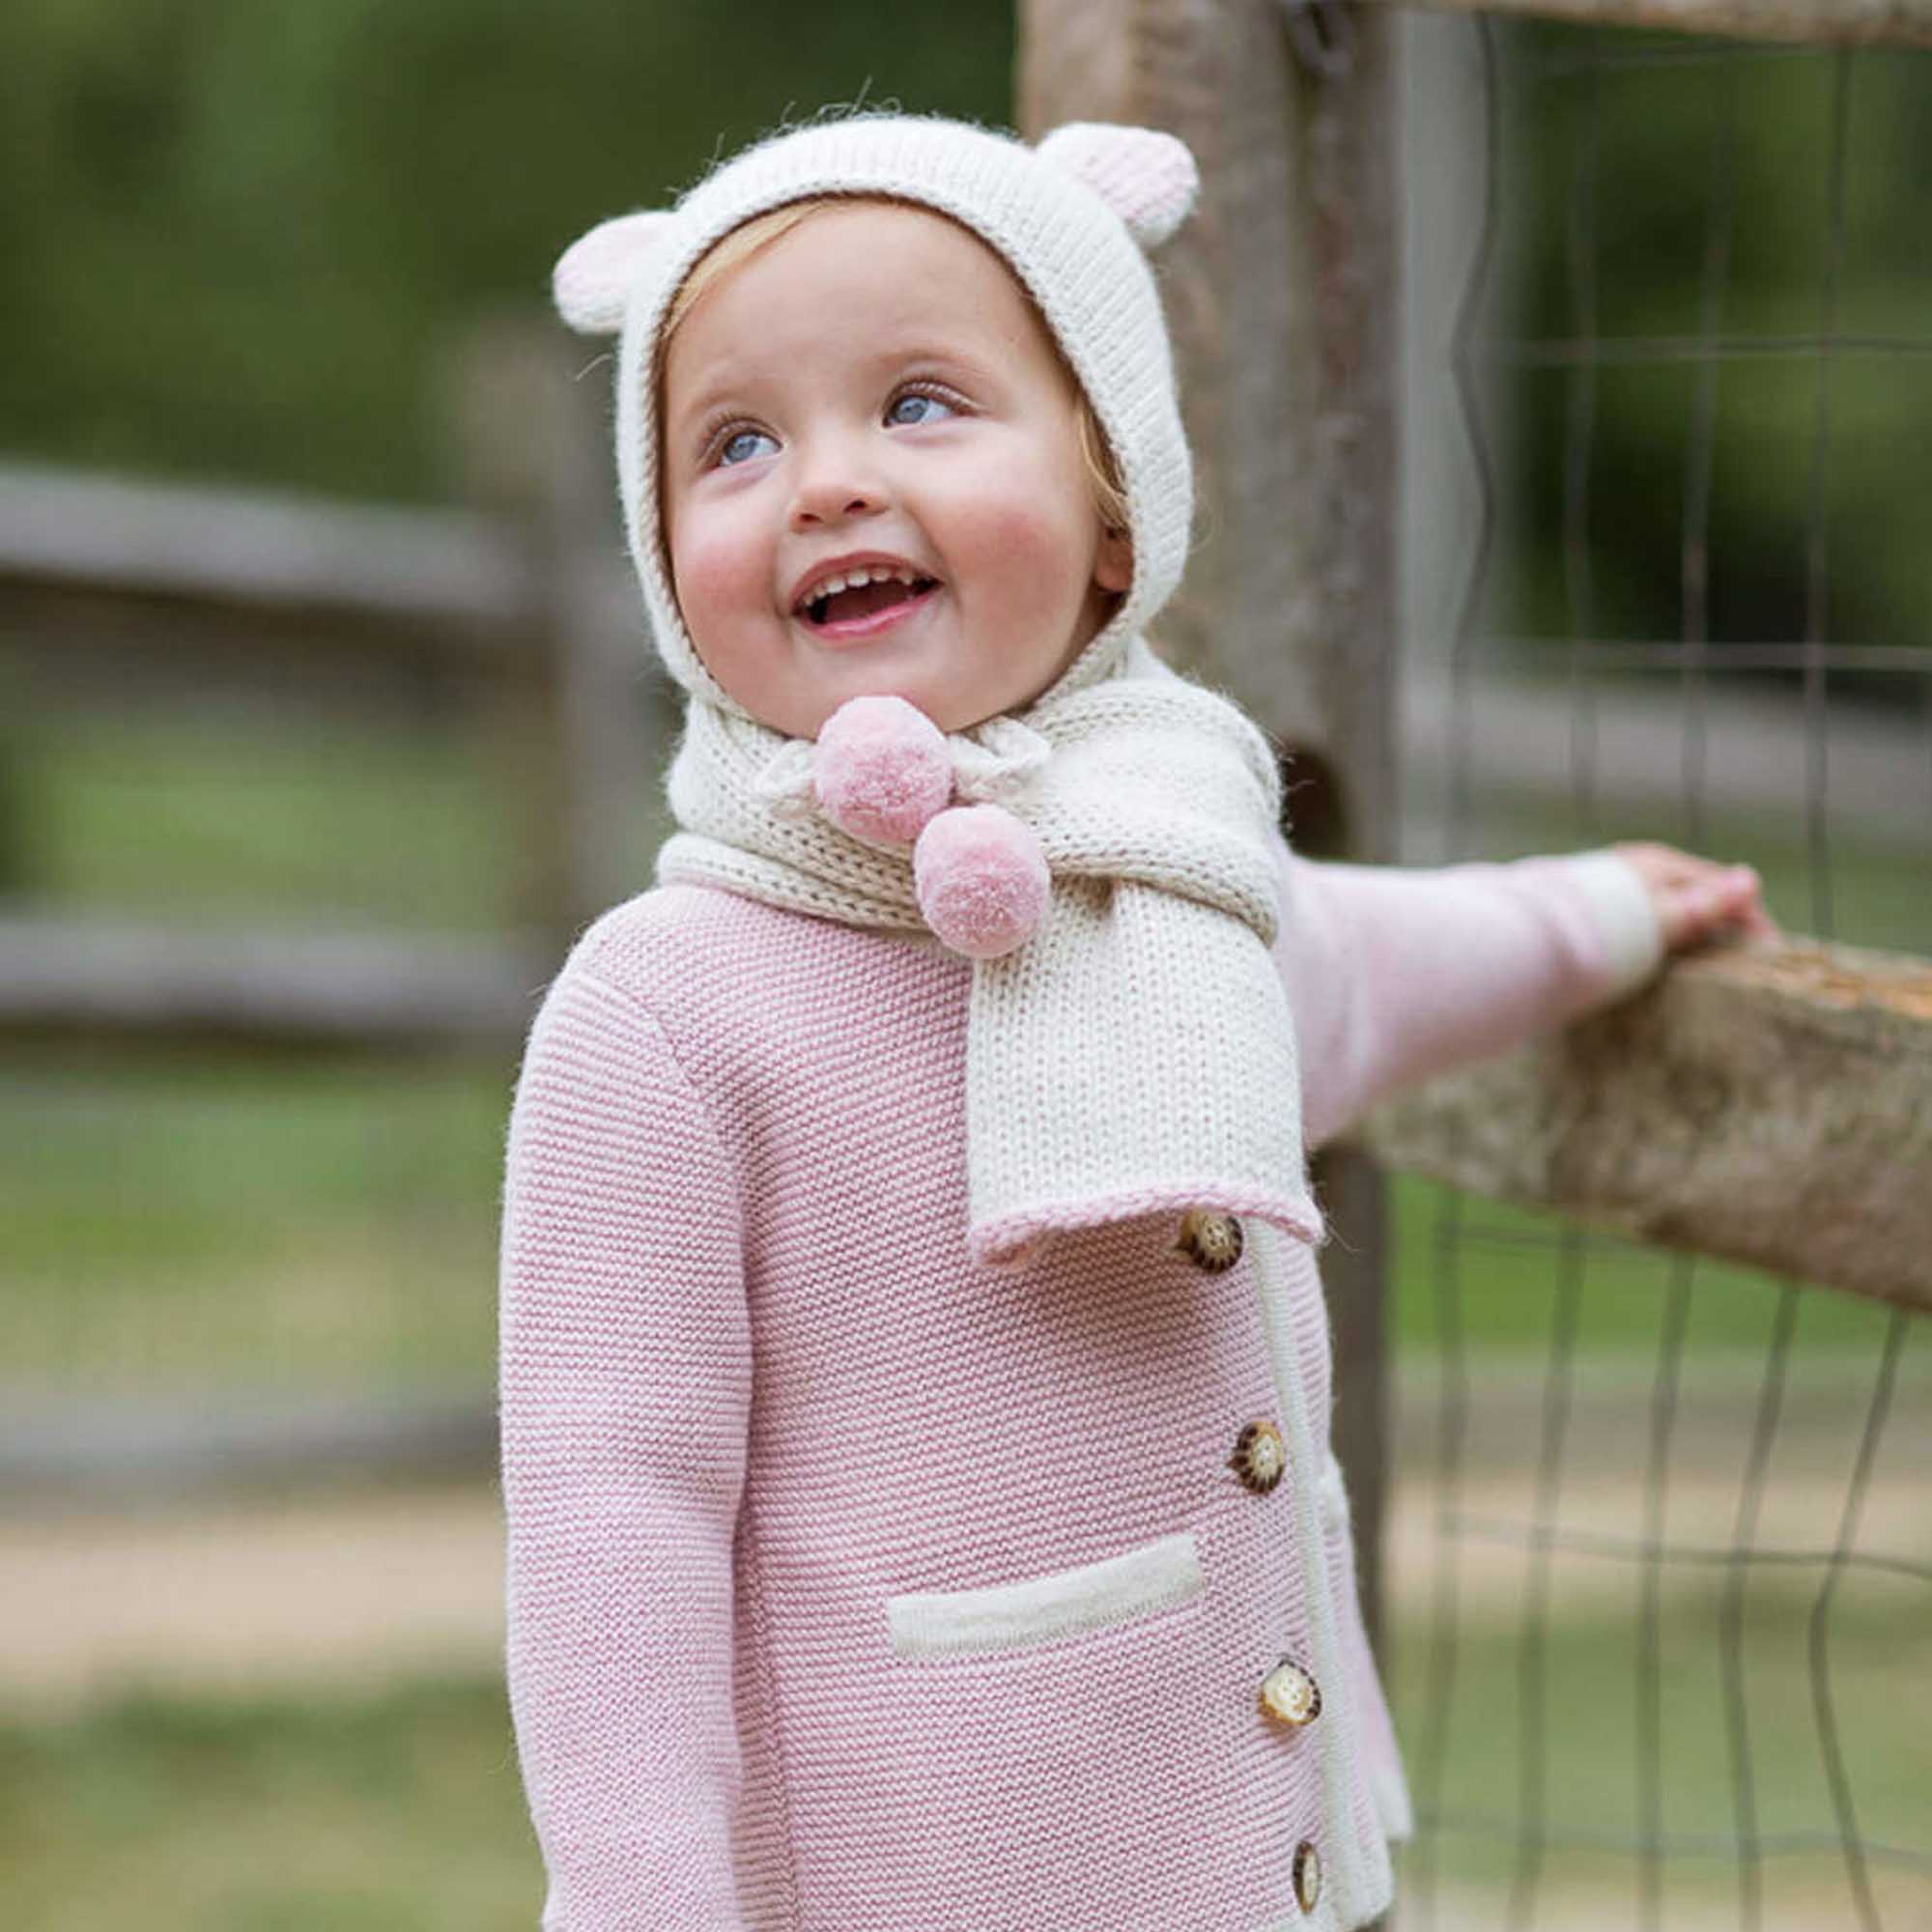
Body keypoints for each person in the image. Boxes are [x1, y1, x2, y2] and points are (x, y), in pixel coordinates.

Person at [498, 113, 1774, 1932]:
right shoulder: (669, 1012)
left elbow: (1367, 970)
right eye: (738, 440)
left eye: (921, 402)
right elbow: (611, 1526)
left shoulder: (1174, 872)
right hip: (927, 1876)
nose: (829, 482)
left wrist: (1595, 919)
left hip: (1275, 1862)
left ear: (1117, 506)